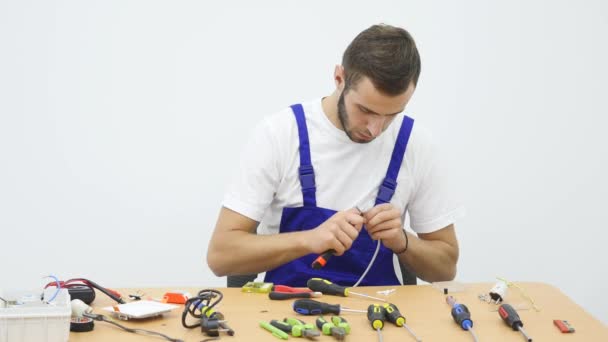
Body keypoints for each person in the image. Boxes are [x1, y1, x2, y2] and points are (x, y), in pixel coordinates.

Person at [207, 24, 464, 287]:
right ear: (339, 78)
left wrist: (403, 241)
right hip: (285, 312)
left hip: (379, 314)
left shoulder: (415, 143)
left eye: (391, 115)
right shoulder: (280, 134)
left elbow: (445, 269)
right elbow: (220, 256)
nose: (375, 129)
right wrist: (309, 239)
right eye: (365, 110)